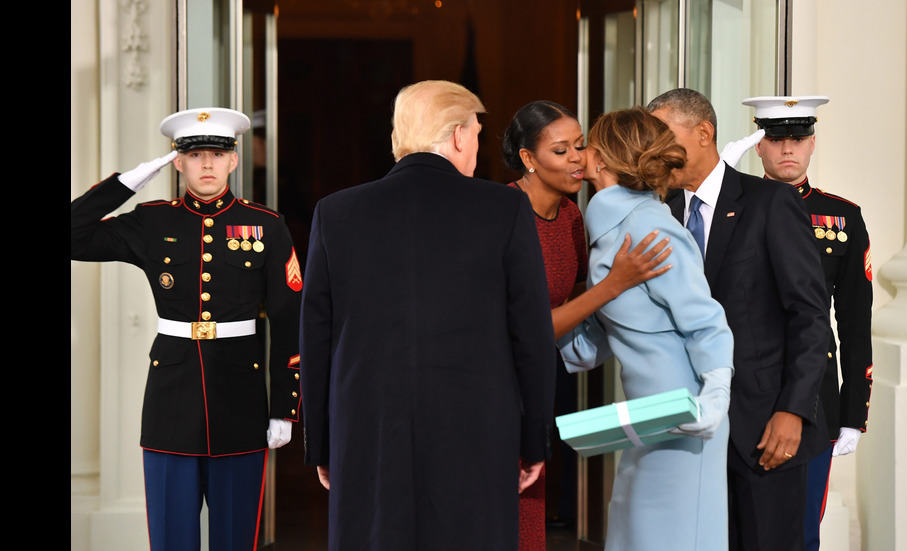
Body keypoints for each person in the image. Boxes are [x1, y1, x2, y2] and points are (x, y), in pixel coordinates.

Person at [300, 80, 557, 551]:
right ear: (458, 135)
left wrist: (321, 443)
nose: (477, 145)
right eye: (478, 133)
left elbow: (316, 339)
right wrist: (534, 439)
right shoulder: (504, 208)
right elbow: (532, 336)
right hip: (478, 429)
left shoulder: (334, 213)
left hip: (367, 430)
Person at [70, 107, 302, 550]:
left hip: (241, 400)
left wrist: (283, 408)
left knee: (235, 540)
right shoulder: (153, 221)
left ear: (235, 160)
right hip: (170, 401)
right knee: (172, 540)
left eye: (218, 153)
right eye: (195, 155)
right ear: (178, 162)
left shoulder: (267, 227)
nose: (208, 164)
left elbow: (289, 319)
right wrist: (127, 183)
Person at [648, 88, 831, 551]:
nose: (653, 152)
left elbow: (809, 316)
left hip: (764, 430)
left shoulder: (769, 203)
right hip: (687, 434)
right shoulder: (660, 213)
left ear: (704, 133)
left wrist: (793, 411)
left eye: (662, 137)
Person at [558, 107, 734, 550]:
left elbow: (705, 319)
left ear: (601, 160)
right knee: (635, 535)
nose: (579, 154)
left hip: (685, 414)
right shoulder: (610, 226)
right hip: (644, 418)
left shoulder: (650, 227)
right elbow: (613, 330)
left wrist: (714, 396)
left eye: (586, 145)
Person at [501, 100, 672, 549]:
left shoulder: (575, 216)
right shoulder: (500, 214)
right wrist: (615, 285)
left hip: (541, 380)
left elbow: (577, 299)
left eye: (580, 146)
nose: (578, 159)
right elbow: (523, 326)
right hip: (497, 384)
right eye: (561, 151)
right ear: (527, 159)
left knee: (530, 508)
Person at [742, 95, 873, 551]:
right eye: (775, 139)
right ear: (759, 146)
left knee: (800, 531)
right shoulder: (734, 209)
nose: (787, 149)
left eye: (798, 138)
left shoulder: (842, 217)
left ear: (813, 143)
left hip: (813, 396)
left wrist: (854, 412)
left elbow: (855, 321)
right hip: (742, 388)